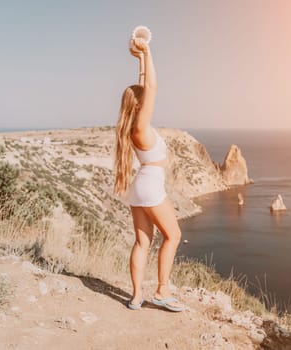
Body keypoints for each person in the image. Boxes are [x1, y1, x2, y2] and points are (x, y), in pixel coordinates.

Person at [114, 37, 185, 312]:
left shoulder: (130, 125)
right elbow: (152, 87)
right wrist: (149, 50)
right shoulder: (141, 127)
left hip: (139, 186)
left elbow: (144, 86)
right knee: (174, 236)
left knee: (142, 241)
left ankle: (135, 298)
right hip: (152, 186)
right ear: (140, 105)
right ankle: (162, 291)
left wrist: (140, 59)